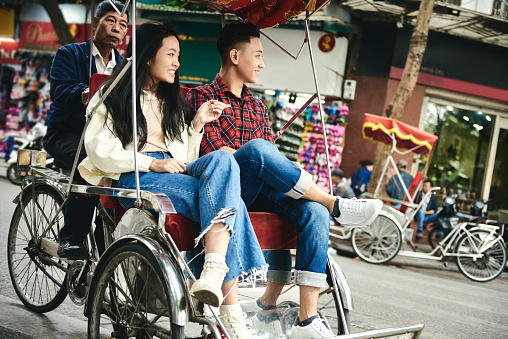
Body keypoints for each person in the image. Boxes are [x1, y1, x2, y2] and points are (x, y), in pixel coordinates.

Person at [187, 22, 383, 339]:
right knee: (256, 151)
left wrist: (267, 162)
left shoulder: (258, 106)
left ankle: (307, 319)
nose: (263, 63)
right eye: (259, 55)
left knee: (313, 213)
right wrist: (255, 154)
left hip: (260, 191)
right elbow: (216, 154)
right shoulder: (200, 97)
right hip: (224, 191)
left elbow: (268, 165)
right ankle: (334, 203)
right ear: (235, 56)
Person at [78, 21, 266, 338]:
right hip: (135, 177)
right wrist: (153, 163)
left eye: (178, 55)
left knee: (223, 158)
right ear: (148, 56)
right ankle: (231, 311)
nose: (177, 63)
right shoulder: (114, 95)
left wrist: (196, 126)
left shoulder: (172, 102)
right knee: (232, 202)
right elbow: (99, 152)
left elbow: (185, 156)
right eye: (171, 53)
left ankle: (213, 270)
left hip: (175, 174)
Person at [43, 0, 129, 258]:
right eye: (111, 21)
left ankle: (108, 252)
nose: (116, 28)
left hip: (103, 139)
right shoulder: (69, 54)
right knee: (88, 166)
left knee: (121, 175)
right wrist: (86, 94)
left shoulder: (125, 68)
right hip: (65, 134)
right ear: (96, 22)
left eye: (122, 25)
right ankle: (71, 239)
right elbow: (59, 93)